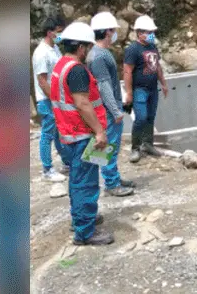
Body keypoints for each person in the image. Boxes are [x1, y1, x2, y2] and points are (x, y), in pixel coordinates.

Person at [50, 22, 114, 246]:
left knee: (78, 179)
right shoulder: (76, 70)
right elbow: (82, 103)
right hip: (82, 134)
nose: (89, 52)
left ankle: (81, 219)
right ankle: (85, 231)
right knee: (85, 183)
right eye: (87, 47)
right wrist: (99, 132)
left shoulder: (60, 65)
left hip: (68, 133)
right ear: (81, 48)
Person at [88, 12, 136, 197]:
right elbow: (104, 86)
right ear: (107, 32)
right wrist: (116, 110)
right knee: (108, 145)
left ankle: (112, 176)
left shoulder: (98, 53)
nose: (115, 33)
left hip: (105, 108)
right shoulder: (99, 56)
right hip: (107, 111)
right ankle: (111, 182)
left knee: (110, 146)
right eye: (113, 30)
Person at [123, 15, 169, 162]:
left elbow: (158, 66)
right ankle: (135, 148)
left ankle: (148, 144)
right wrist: (129, 92)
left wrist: (163, 83)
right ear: (140, 33)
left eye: (152, 32)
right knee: (141, 118)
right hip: (139, 89)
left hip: (152, 89)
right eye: (149, 32)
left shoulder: (152, 47)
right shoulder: (133, 49)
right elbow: (127, 71)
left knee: (150, 117)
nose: (152, 35)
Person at [32, 14, 68, 182]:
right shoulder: (41, 53)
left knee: (59, 132)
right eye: (58, 32)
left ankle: (67, 162)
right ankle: (47, 169)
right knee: (47, 134)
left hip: (57, 97)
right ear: (49, 32)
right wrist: (54, 99)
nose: (61, 35)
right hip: (47, 100)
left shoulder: (55, 49)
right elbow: (42, 80)